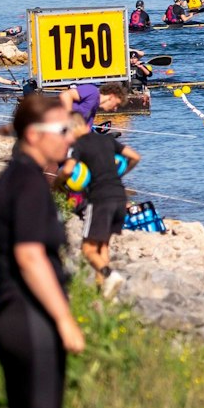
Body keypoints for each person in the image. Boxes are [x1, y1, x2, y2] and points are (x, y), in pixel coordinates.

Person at [0, 93, 89, 408]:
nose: (69, 139)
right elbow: (30, 255)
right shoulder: (26, 183)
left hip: (13, 316)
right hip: (28, 317)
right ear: (33, 135)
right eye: (62, 130)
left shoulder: (20, 178)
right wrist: (64, 320)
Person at [64, 113, 140, 295]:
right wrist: (119, 175)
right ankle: (104, 291)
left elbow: (67, 170)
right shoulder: (107, 140)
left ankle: (110, 274)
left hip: (99, 199)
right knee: (103, 245)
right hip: (120, 197)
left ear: (73, 128)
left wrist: (59, 183)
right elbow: (135, 157)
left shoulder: (78, 146)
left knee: (88, 249)